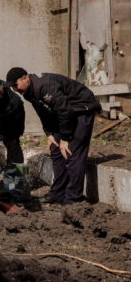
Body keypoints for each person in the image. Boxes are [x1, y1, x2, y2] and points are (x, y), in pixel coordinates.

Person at [6, 67, 100, 204]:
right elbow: (43, 112)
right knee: (56, 150)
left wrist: (65, 138)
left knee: (72, 152)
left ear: (25, 78)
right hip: (65, 114)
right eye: (12, 87)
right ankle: (57, 194)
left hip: (81, 109)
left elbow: (64, 110)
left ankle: (74, 198)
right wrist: (49, 133)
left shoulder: (44, 86)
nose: (15, 89)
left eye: (16, 85)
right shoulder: (27, 91)